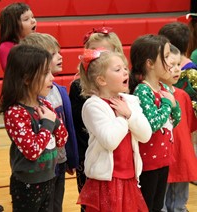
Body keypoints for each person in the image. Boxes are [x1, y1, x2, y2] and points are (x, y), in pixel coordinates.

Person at [76, 48, 152, 211]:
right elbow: (110, 141)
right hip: (107, 181)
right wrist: (123, 118)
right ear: (102, 80)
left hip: (130, 178)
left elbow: (145, 135)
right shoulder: (93, 105)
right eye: (118, 70)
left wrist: (130, 115)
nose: (125, 72)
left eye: (125, 68)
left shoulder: (130, 101)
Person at [0, 44, 68, 212]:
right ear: (27, 79)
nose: (52, 78)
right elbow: (32, 151)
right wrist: (48, 124)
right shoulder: (15, 112)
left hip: (50, 177)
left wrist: (54, 122)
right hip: (27, 184)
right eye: (45, 73)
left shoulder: (45, 104)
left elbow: (62, 139)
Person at [20, 32, 79, 212]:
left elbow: (68, 128)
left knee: (56, 206)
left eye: (59, 52)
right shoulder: (30, 99)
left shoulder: (60, 91)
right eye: (53, 54)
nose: (60, 56)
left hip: (60, 161)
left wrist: (72, 159)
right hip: (41, 167)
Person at [69, 26, 124, 212]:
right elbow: (78, 127)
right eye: (94, 53)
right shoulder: (78, 87)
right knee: (92, 204)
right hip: (90, 159)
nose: (100, 59)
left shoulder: (125, 86)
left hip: (121, 160)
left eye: (105, 53)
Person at [129, 34, 181, 212]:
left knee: (158, 205)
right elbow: (152, 124)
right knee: (147, 206)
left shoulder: (164, 87)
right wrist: (168, 104)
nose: (171, 61)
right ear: (150, 64)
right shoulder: (143, 90)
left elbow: (177, 119)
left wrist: (173, 105)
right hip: (148, 162)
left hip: (164, 159)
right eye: (165, 57)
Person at [160, 44, 197, 212]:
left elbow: (189, 128)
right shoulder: (149, 94)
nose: (177, 69)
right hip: (161, 158)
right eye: (171, 65)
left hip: (181, 156)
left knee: (179, 206)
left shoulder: (183, 96)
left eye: (178, 65)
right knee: (160, 205)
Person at [0, 2, 36, 71]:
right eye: (26, 19)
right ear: (13, 26)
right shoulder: (6, 47)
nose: (33, 21)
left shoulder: (36, 42)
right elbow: (13, 73)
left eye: (33, 17)